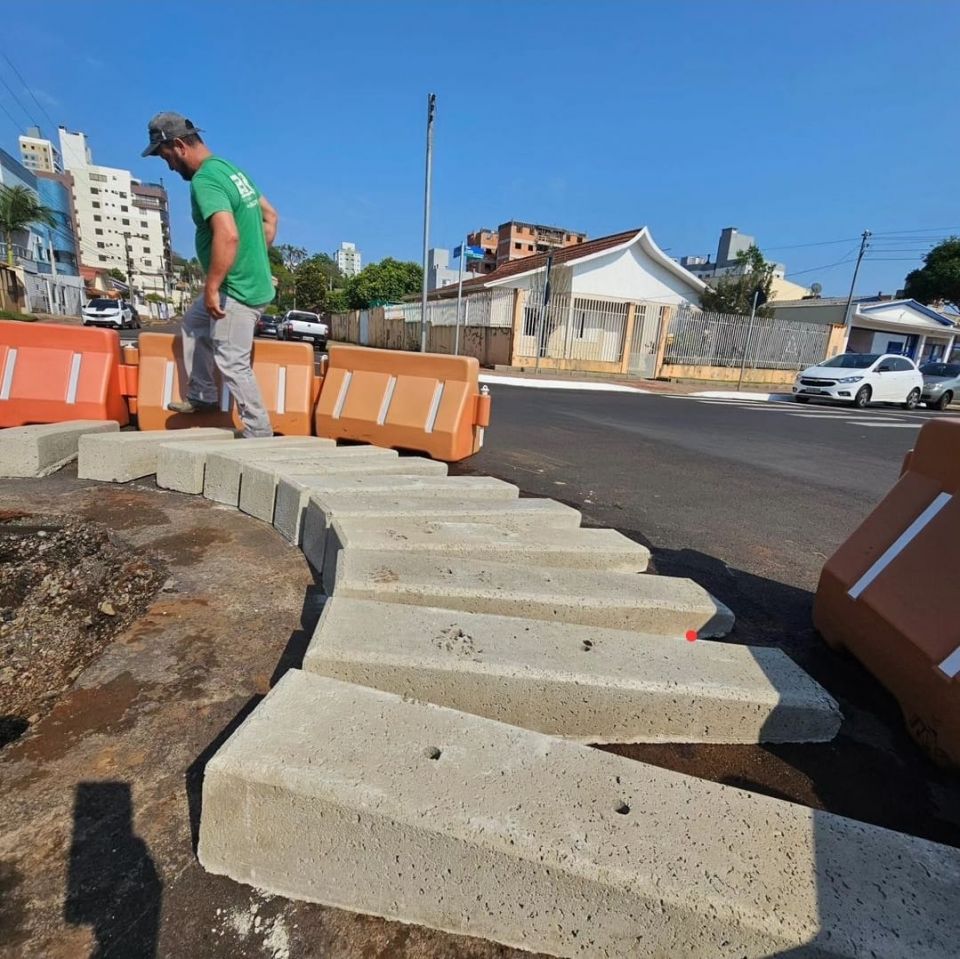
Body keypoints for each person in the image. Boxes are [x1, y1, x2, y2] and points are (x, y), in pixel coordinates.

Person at [141, 112, 277, 437]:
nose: (170, 167)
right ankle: (202, 393)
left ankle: (260, 434)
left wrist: (213, 286)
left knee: (232, 360)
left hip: (237, 290)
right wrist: (255, 259)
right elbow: (270, 217)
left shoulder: (205, 180)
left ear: (178, 146)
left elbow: (227, 234)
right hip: (247, 280)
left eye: (167, 158)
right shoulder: (231, 170)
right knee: (194, 323)